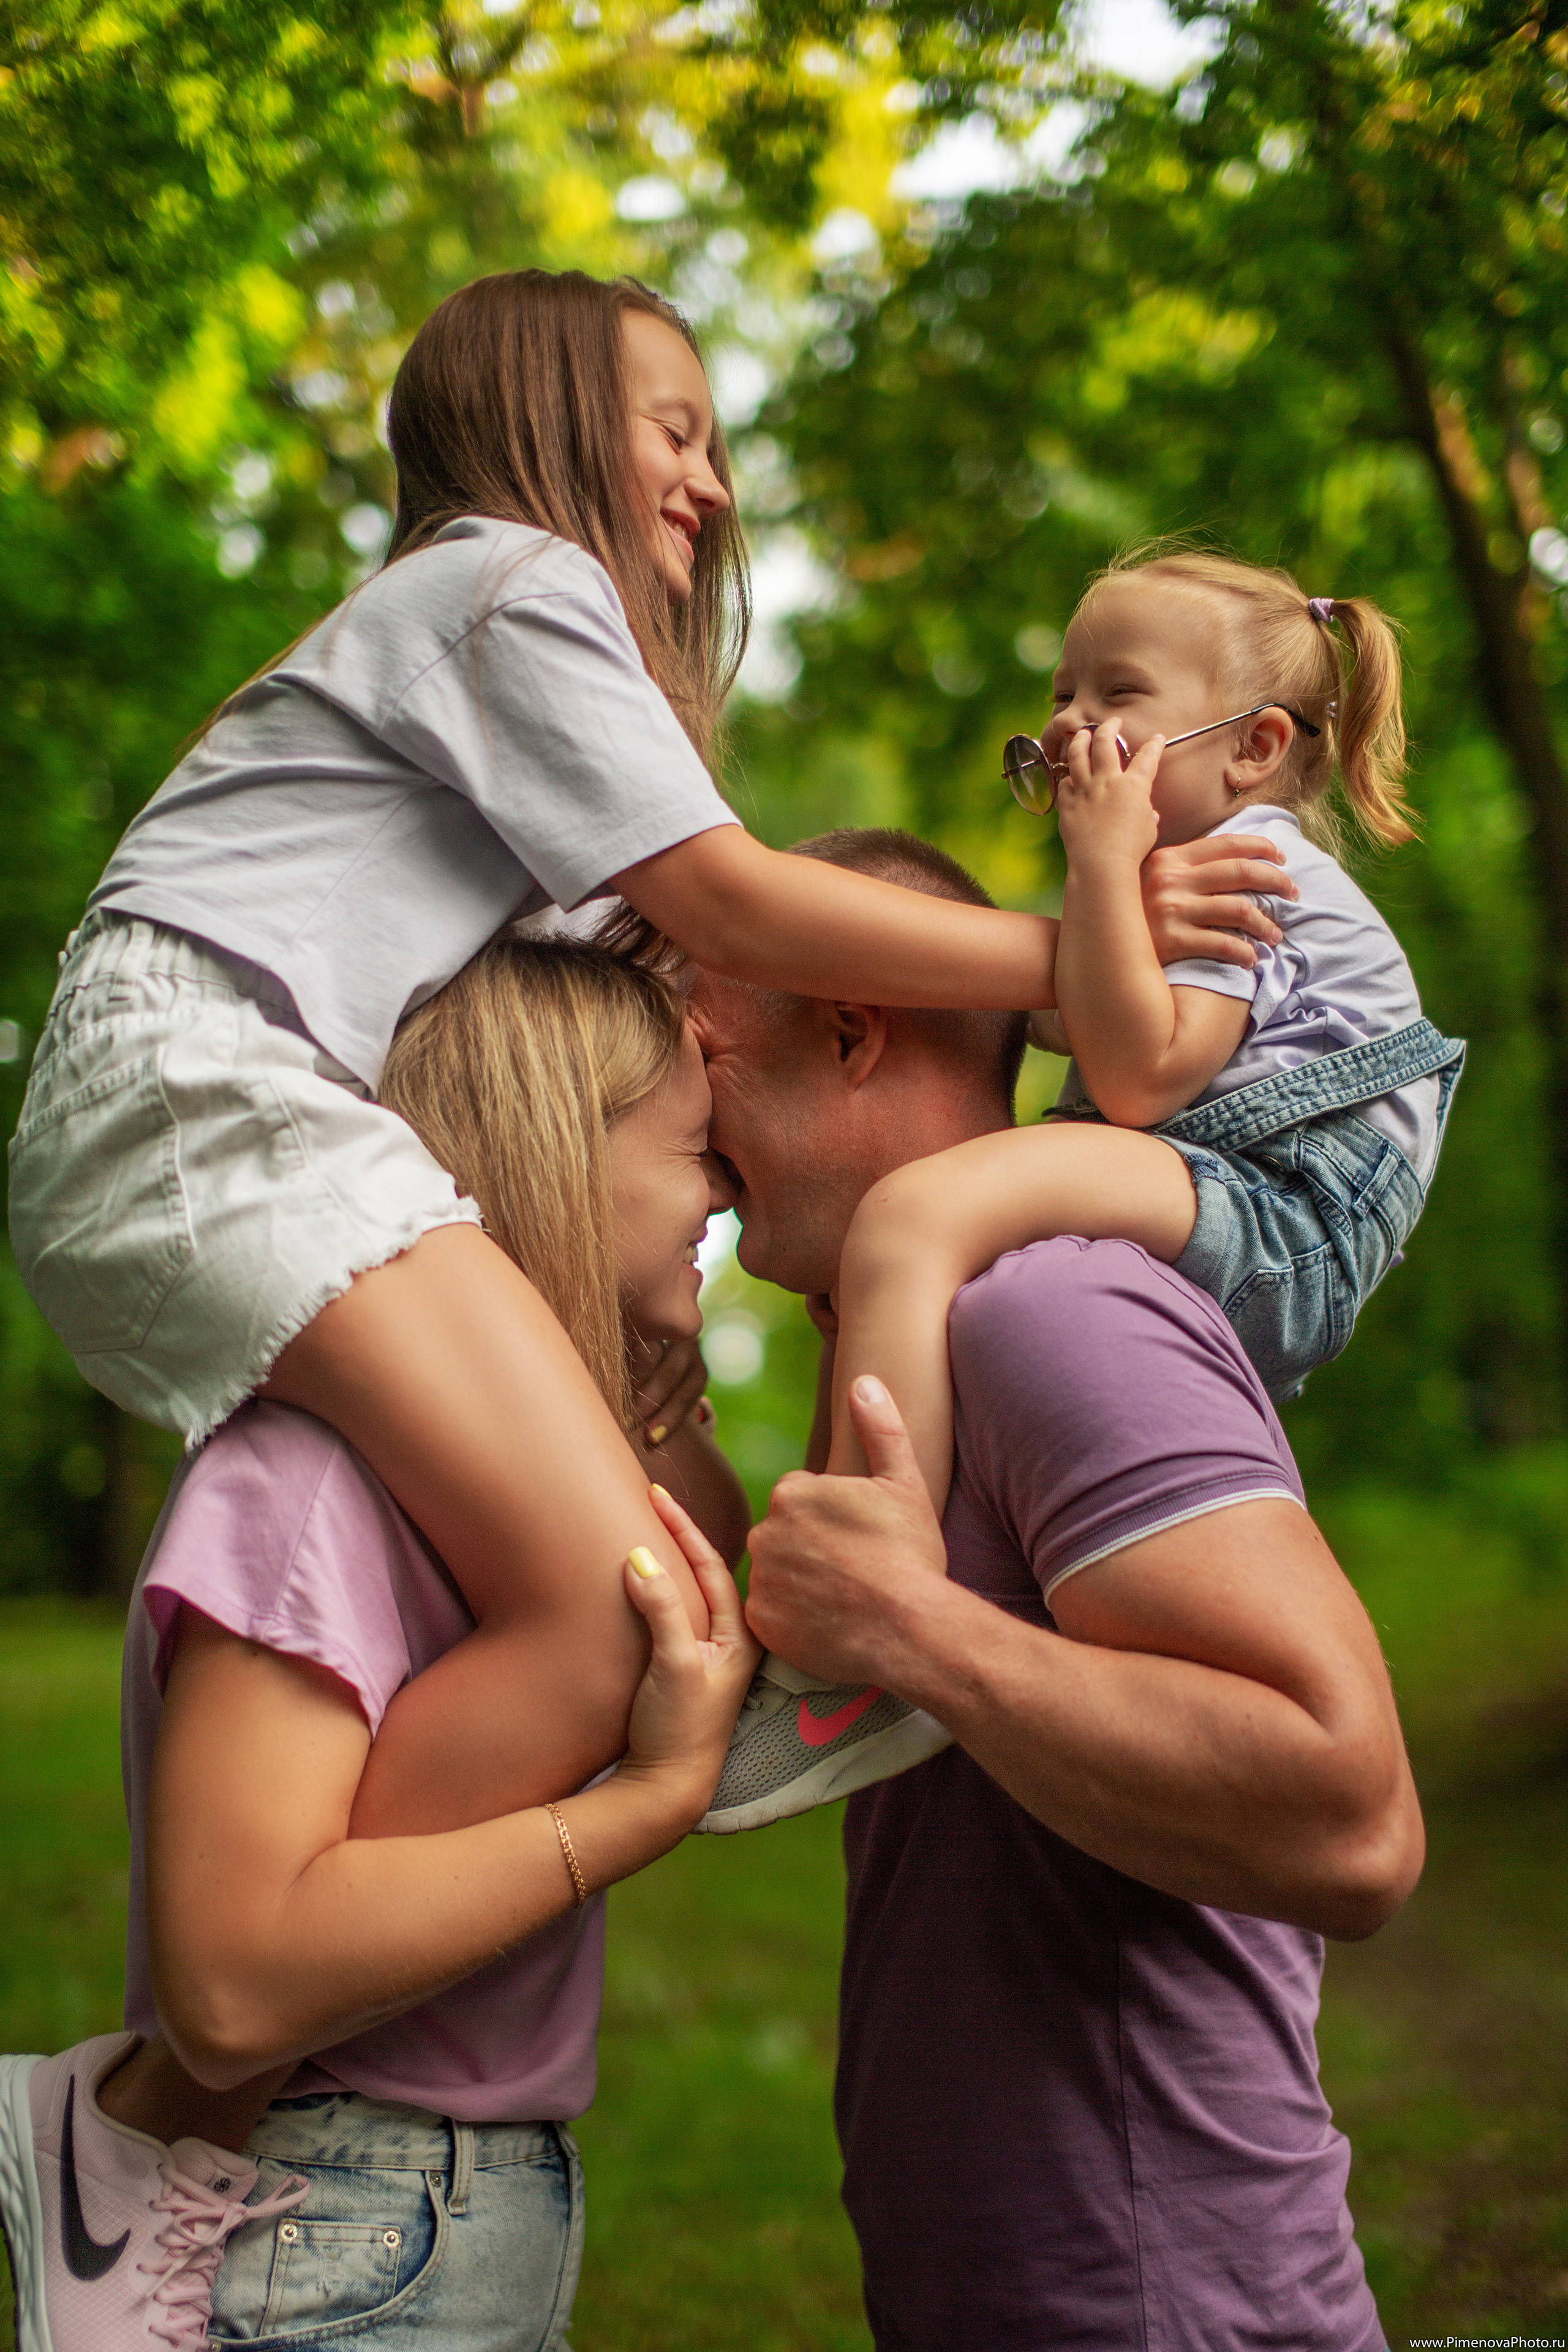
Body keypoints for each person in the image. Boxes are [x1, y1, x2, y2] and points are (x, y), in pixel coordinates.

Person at [6, 274, 1284, 1861]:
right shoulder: (503, 584)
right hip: (205, 1107)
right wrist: (1082, 966)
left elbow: (687, 968)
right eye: (674, 432)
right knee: (607, 1621)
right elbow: (740, 903)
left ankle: (231, 2032)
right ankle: (248, 1984)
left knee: (627, 1569)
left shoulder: (484, 710)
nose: (714, 486)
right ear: (538, 417)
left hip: (195, 1131)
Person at [689, 827, 1424, 2350]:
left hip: (1165, 2305)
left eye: (702, 1051)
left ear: (846, 1026)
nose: (685, 1118)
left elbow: (1352, 1825)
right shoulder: (910, 1337)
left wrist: (910, 1628)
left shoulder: (1050, 1308)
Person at [0, 932, 758, 2352]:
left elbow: (728, 1603)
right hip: (318, 2213)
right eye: (698, 1150)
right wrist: (644, 1808)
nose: (723, 1192)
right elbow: (230, 1988)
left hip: (425, 2208)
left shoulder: (546, 1502)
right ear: (558, 1148)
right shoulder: (315, 1481)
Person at [819, 551, 1466, 1518]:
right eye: (1064, 690)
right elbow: (1052, 1015)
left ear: (1253, 748)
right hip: (1233, 1189)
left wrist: (1101, 864)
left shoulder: (1238, 869)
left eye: (1118, 692)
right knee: (924, 1268)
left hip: (1286, 1212)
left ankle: (867, 1533)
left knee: (916, 1216)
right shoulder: (1173, 872)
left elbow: (1139, 1080)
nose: (1071, 720)